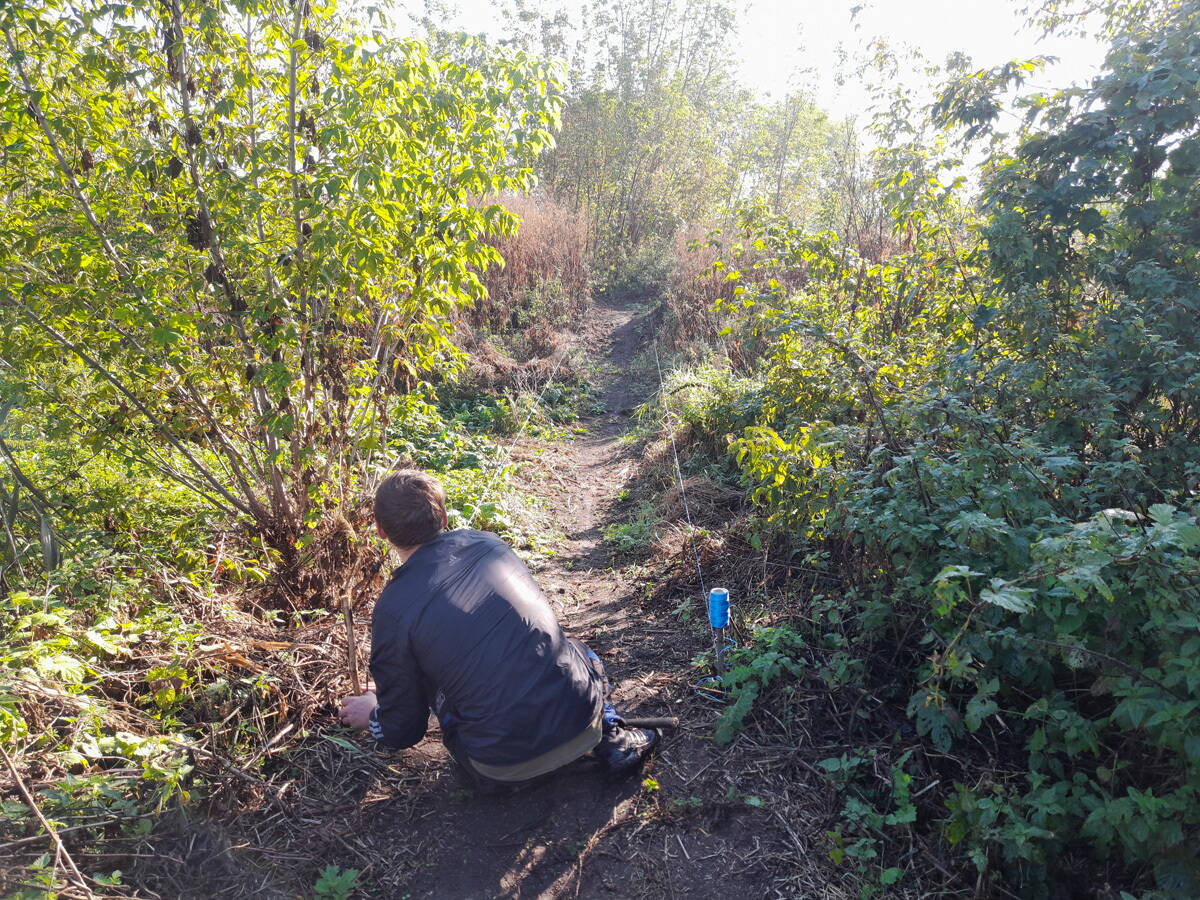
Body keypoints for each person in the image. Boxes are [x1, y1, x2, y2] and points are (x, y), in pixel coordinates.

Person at [338, 469, 660, 793]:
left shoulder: (393, 609)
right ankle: (612, 736)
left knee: (435, 673)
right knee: (573, 648)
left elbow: (402, 732)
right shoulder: (489, 543)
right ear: (443, 516)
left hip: (500, 769)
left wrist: (376, 713)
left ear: (380, 530)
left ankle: (528, 767)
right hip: (584, 722)